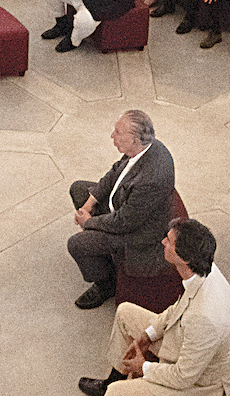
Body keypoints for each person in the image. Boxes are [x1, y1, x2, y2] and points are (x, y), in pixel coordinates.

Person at [62, 218, 230, 396]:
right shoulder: (204, 271)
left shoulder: (206, 317)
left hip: (202, 388)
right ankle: (114, 377)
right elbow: (178, 308)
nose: (163, 241)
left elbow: (184, 378)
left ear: (183, 257)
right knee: (125, 313)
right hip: (186, 344)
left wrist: (143, 367)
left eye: (169, 240)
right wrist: (148, 335)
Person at [66, 111, 176, 310]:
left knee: (77, 244)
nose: (112, 136)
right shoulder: (142, 147)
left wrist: (88, 222)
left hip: (138, 235)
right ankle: (100, 253)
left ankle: (106, 284)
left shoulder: (150, 179)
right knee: (79, 189)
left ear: (134, 140)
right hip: (125, 210)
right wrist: (89, 204)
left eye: (117, 132)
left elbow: (124, 222)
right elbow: (115, 172)